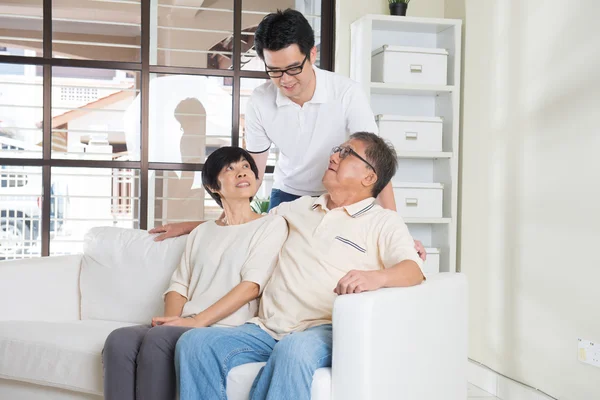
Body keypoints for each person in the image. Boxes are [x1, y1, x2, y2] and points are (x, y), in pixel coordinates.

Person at [175, 132, 425, 400]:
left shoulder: (384, 221)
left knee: (293, 350)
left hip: (323, 329)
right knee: (194, 343)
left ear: (369, 176)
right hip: (265, 328)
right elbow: (247, 222)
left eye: (345, 153)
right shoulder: (299, 207)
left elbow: (413, 270)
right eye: (336, 149)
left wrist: (375, 277)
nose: (333, 156)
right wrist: (188, 227)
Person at [101, 147, 287, 400]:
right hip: (189, 322)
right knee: (119, 340)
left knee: (159, 340)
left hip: (227, 326)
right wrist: (170, 322)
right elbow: (179, 285)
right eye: (230, 169)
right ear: (214, 186)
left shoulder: (270, 225)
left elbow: (252, 286)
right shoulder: (202, 232)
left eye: (246, 167)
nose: (242, 173)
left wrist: (196, 322)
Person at [244, 9, 397, 210]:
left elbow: (374, 161)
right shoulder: (259, 101)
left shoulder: (347, 93)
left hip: (339, 194)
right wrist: (234, 211)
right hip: (287, 193)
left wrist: (394, 224)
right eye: (274, 70)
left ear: (312, 54)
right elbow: (255, 171)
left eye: (293, 69)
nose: (285, 79)